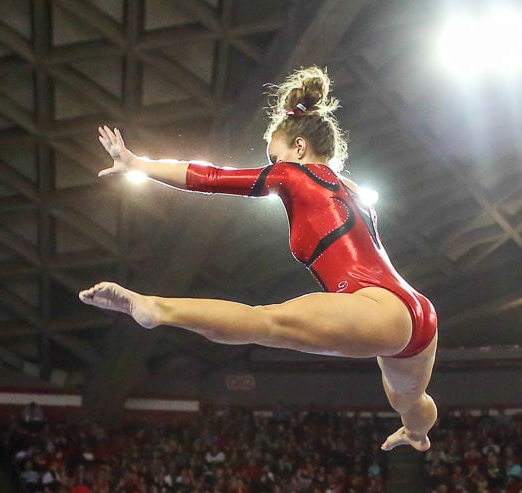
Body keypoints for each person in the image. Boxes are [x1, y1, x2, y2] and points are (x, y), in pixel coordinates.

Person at [79, 66, 438, 452]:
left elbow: (211, 177)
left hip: (375, 306)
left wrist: (139, 165)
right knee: (409, 401)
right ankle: (416, 433)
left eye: (275, 156)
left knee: (267, 322)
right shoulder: (352, 189)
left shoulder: (293, 175)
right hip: (417, 313)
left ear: (299, 149)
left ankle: (156, 308)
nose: (273, 166)